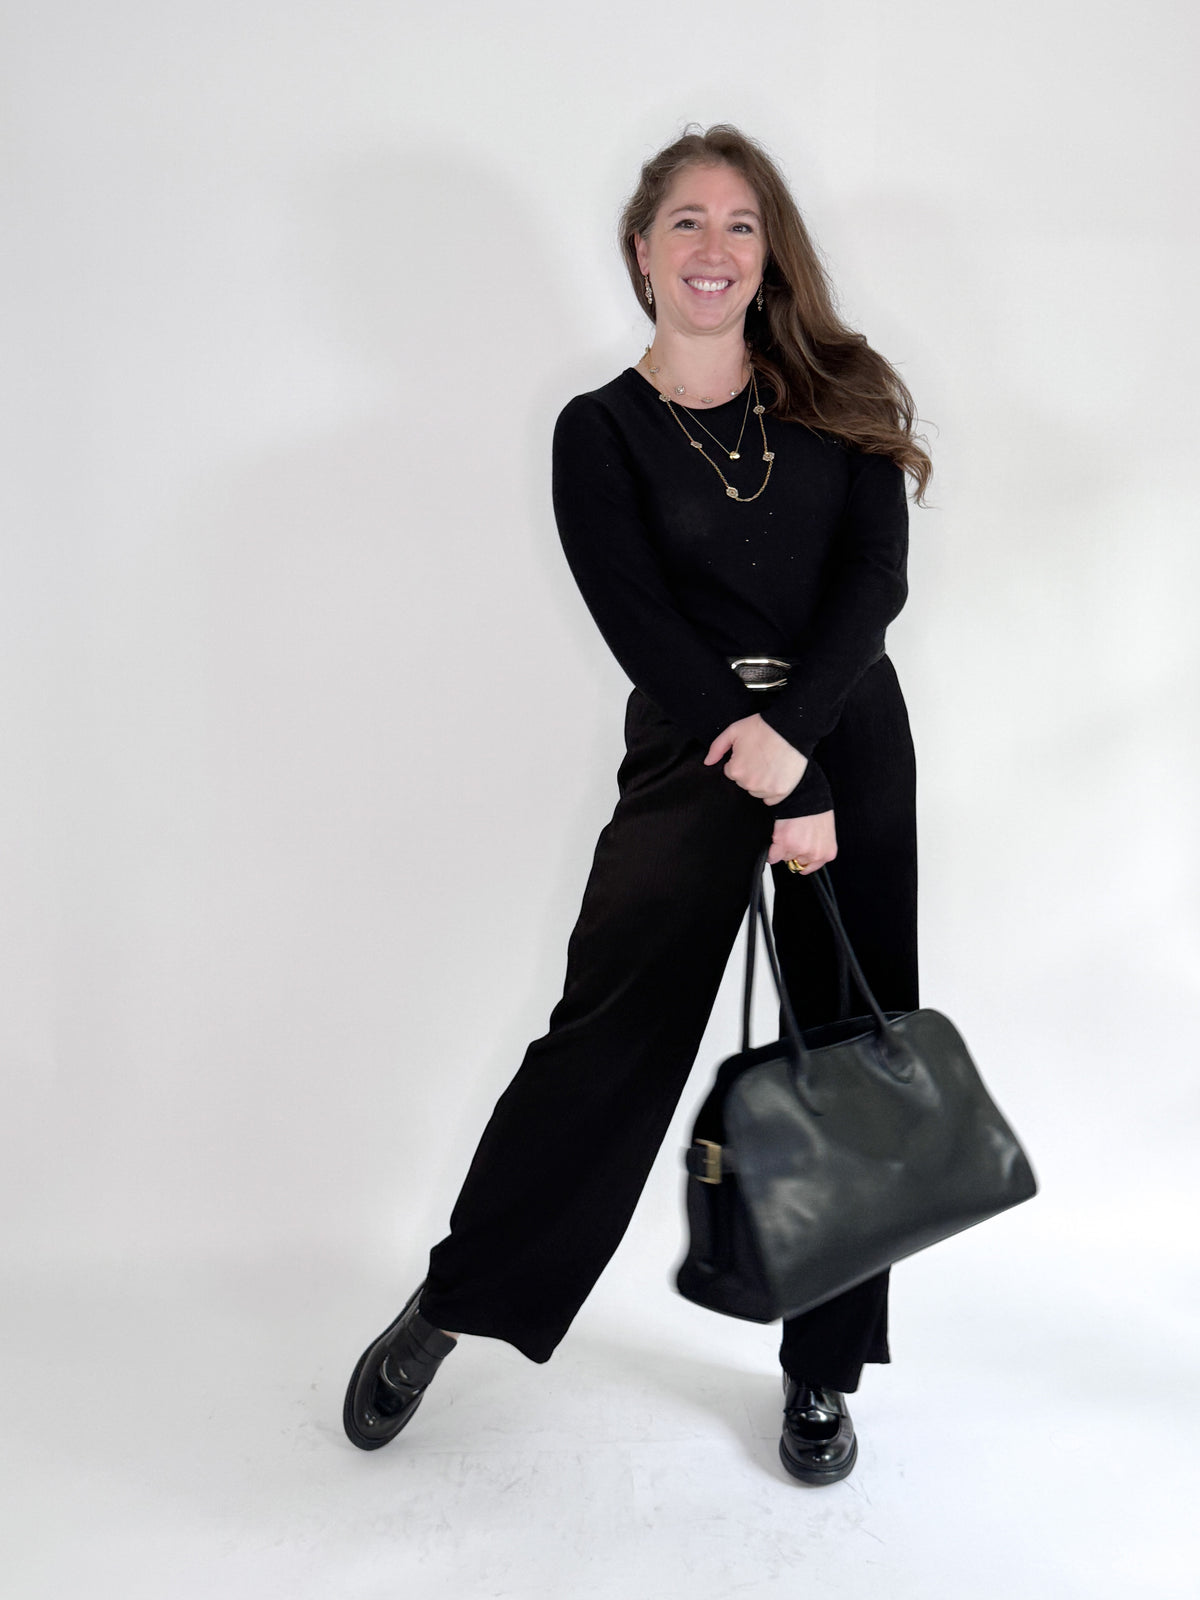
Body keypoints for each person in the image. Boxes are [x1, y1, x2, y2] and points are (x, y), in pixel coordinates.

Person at [342, 123, 933, 1486]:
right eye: (685, 223)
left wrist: (808, 757)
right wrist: (763, 756)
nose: (712, 247)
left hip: (852, 747)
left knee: (853, 1059)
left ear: (768, 250)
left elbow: (871, 589)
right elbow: (640, 622)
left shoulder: (842, 399)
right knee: (602, 1047)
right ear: (640, 251)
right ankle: (456, 1302)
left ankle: (823, 1376)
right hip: (694, 753)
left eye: (739, 223)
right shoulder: (600, 430)